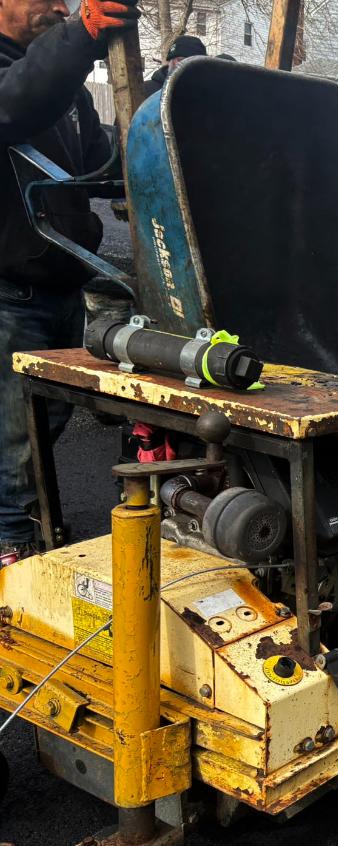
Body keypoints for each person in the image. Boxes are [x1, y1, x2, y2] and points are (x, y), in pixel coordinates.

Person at [0, 0, 137, 563]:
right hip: (10, 291)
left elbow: (99, 168)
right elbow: (16, 102)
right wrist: (80, 36)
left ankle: (24, 523)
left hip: (61, 281)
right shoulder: (30, 80)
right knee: (15, 437)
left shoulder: (67, 92)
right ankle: (10, 544)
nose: (61, 6)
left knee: (44, 422)